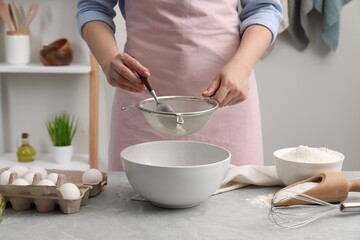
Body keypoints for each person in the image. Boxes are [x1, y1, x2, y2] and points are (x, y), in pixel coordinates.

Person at [77, 0, 283, 170]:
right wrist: (107, 59)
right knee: (133, 209)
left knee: (235, 208)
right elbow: (93, 6)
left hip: (227, 98)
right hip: (143, 102)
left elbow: (264, 7)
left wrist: (243, 65)